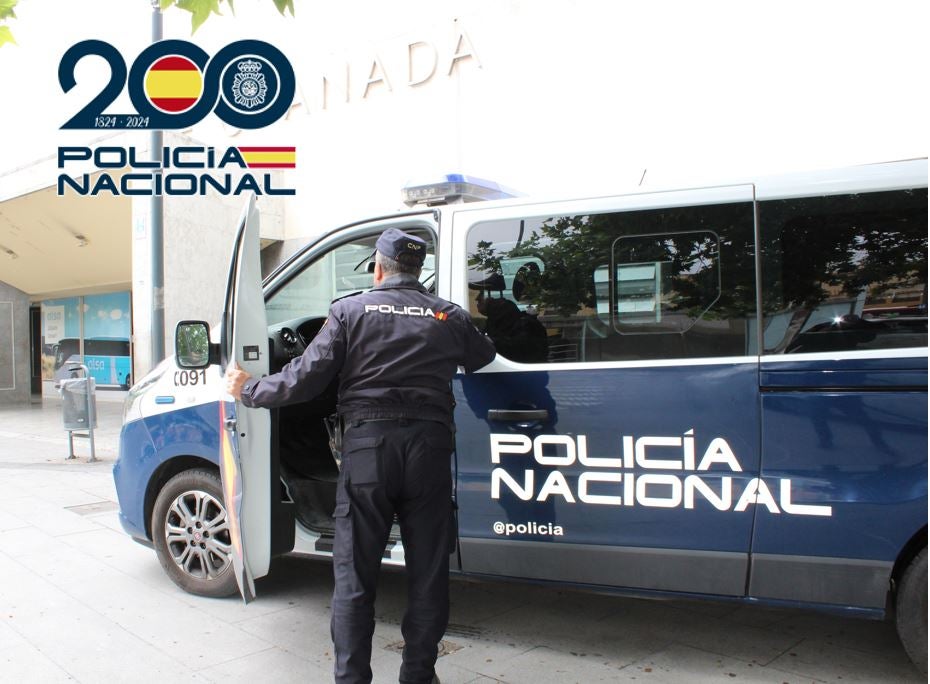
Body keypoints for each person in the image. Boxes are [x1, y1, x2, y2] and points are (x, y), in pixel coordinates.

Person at [225, 228, 496, 684]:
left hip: (369, 449)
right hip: (429, 451)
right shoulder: (447, 314)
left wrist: (249, 388)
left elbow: (304, 378)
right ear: (418, 269)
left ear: (378, 269)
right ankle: (418, 676)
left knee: (355, 576)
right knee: (428, 574)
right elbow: (484, 356)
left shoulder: (350, 311)